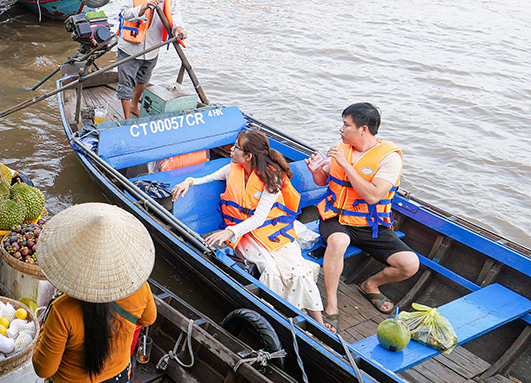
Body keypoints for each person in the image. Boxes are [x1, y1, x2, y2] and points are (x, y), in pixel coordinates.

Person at [33, 203, 157, 383]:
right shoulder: (138, 288)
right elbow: (149, 318)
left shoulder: (63, 309)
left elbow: (44, 369)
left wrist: (37, 339)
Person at [172, 130, 325, 327]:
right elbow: (206, 178)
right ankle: (278, 318)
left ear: (248, 156)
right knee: (270, 269)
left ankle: (318, 325)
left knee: (298, 270)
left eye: (236, 147)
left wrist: (229, 231)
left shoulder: (272, 179)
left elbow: (260, 218)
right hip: (244, 235)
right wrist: (188, 181)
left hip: (272, 232)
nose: (231, 150)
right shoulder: (232, 169)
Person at [308, 103, 420, 332]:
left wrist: (346, 165)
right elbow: (324, 181)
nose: (341, 129)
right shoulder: (342, 149)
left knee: (410, 265)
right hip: (336, 218)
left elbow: (372, 196)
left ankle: (370, 285)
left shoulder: (390, 158)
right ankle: (331, 305)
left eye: (346, 124)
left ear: (363, 129)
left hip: (371, 224)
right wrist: (316, 171)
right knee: (338, 241)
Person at [116, 0, 187, 120]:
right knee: (126, 84)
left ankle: (134, 105)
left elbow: (175, 11)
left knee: (143, 78)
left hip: (153, 46)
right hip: (130, 46)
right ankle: (126, 118)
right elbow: (125, 12)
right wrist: (144, 6)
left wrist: (178, 27)